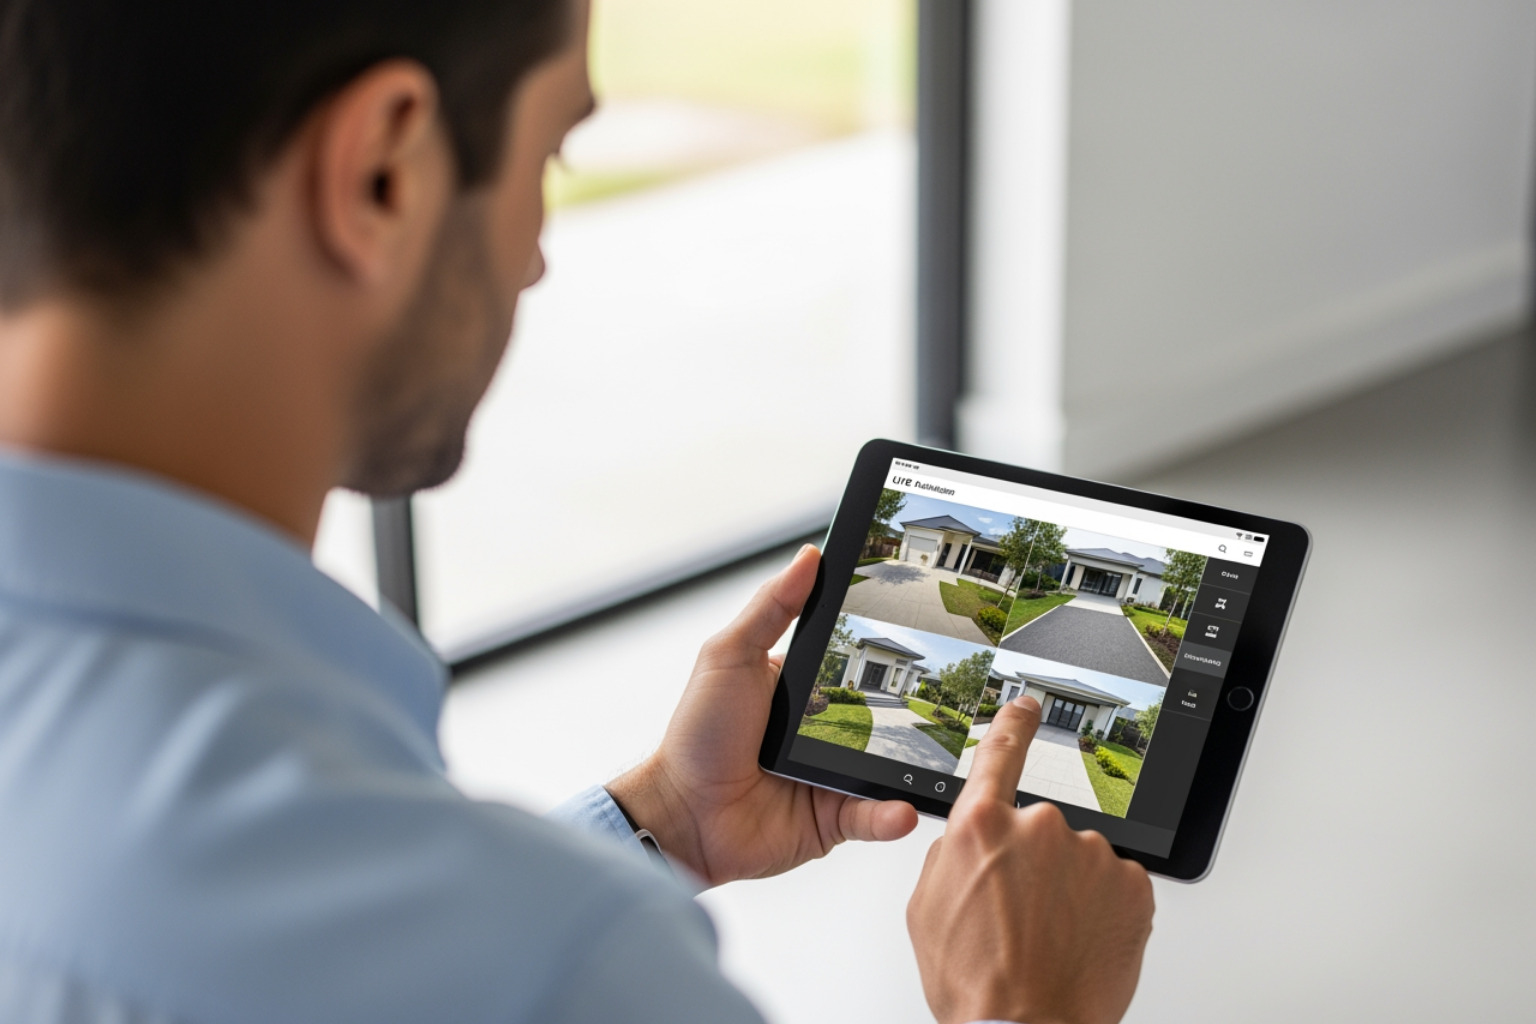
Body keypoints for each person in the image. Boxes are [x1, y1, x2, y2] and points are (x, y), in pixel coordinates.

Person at [0, 0, 1155, 1021]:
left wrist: (661, 820)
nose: (536, 263)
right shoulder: (568, 971)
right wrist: (1024, 1005)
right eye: (549, 154)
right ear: (384, 170)